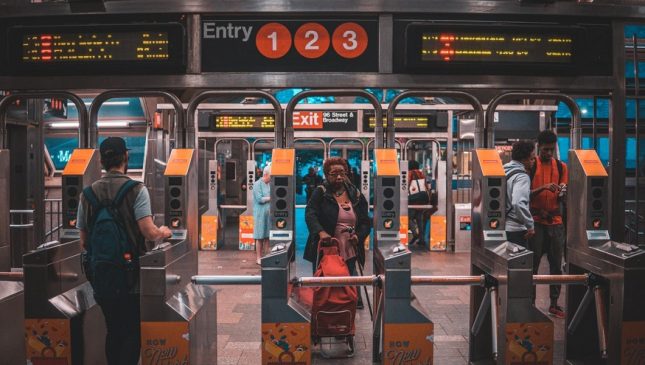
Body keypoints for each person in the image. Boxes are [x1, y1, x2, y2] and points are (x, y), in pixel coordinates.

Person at [77, 137, 172, 365]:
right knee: (131, 331)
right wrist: (164, 232)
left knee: (113, 330)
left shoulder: (87, 194)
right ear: (126, 158)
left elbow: (83, 241)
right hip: (130, 277)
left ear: (102, 160)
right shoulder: (137, 190)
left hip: (102, 277)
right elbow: (148, 231)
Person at [304, 157, 371, 308]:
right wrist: (320, 232)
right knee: (326, 277)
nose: (339, 177)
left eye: (342, 172)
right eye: (334, 173)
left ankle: (350, 304)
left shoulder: (356, 194)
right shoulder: (321, 192)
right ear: (327, 175)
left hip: (349, 246)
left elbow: (366, 221)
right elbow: (310, 213)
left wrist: (359, 236)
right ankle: (325, 305)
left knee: (350, 275)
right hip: (327, 246)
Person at [529, 130, 568, 319]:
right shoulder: (531, 166)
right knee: (533, 265)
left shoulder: (561, 167)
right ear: (538, 147)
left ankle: (554, 303)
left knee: (556, 265)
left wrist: (562, 192)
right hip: (536, 222)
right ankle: (530, 303)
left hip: (555, 221)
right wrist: (543, 189)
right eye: (545, 150)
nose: (549, 154)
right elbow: (524, 195)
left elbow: (564, 192)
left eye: (552, 150)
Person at [503, 140, 536, 247]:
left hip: (504, 226)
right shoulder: (522, 177)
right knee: (519, 262)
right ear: (523, 159)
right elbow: (518, 202)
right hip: (516, 230)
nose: (533, 161)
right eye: (532, 158)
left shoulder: (504, 170)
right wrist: (530, 225)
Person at [408, 160, 433, 246]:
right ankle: (421, 239)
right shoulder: (421, 174)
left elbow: (406, 185)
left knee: (408, 218)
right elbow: (426, 186)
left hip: (413, 200)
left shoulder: (409, 173)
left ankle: (415, 234)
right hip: (422, 200)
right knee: (420, 219)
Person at [253, 165, 271, 265]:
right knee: (260, 236)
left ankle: (267, 256)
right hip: (260, 214)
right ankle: (259, 258)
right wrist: (271, 197)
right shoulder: (257, 184)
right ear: (266, 174)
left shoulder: (269, 184)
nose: (272, 178)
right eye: (271, 176)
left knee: (267, 236)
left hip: (268, 213)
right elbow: (260, 199)